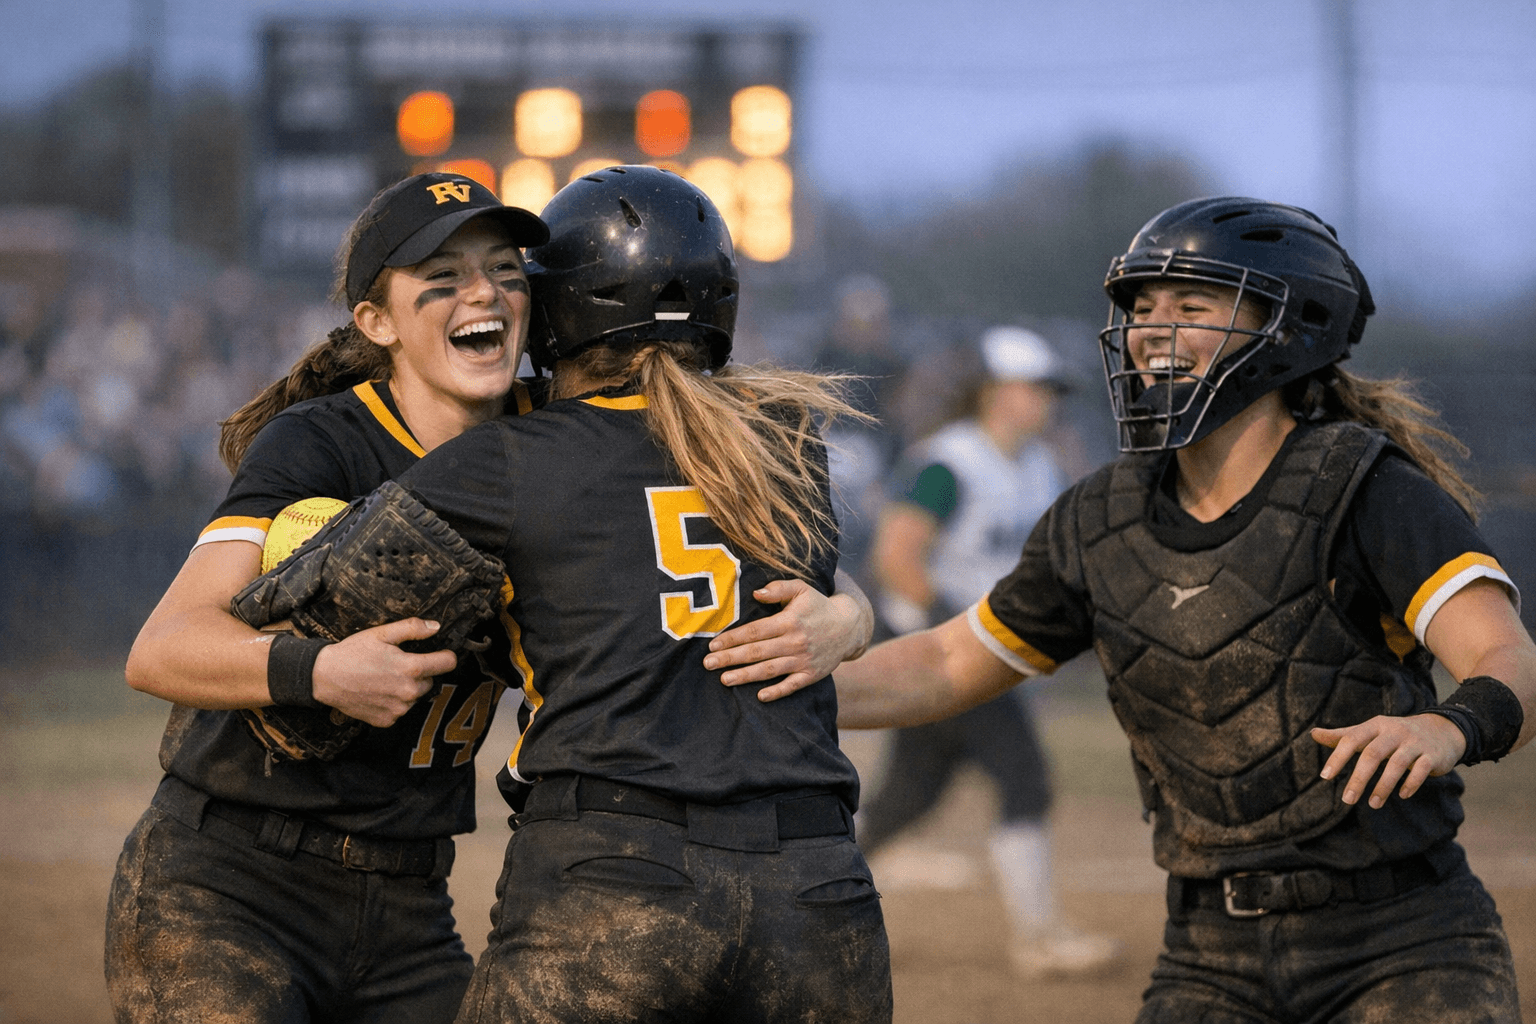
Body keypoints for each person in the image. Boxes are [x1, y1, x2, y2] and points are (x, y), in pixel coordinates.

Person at [738, 197, 1536, 1022]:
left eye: (1192, 306)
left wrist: (1449, 726)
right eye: (1142, 308)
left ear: (1289, 329)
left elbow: (1509, 659)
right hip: (1210, 955)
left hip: (1403, 939)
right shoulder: (1099, 517)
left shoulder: (1366, 490)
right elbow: (945, 663)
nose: (1153, 330)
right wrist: (751, 687)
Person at [107, 171, 872, 1024]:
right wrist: (319, 671)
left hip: (408, 899)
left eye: (506, 272)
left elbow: (728, 556)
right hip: (233, 880)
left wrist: (848, 615)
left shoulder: (555, 430)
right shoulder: (322, 440)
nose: (483, 294)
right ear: (378, 321)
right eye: (442, 280)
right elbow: (163, 648)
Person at [382, 165, 892, 1023]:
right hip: (819, 887)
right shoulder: (789, 437)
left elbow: (316, 600)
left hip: (614, 872)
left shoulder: (505, 458)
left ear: (560, 309)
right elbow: (792, 583)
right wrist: (857, 614)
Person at [858, 325, 1118, 977]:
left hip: (986, 652)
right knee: (1023, 777)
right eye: (1036, 387)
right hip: (939, 651)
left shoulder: (1038, 464)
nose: (1047, 400)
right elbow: (895, 557)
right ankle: (1039, 937)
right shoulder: (949, 461)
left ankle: (794, 894)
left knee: (908, 797)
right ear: (995, 392)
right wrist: (951, 635)